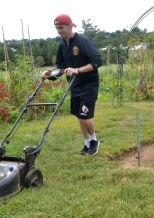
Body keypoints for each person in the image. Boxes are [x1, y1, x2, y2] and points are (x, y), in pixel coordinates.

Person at [41, 14, 102, 156]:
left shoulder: (83, 42)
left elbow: (97, 61)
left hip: (89, 84)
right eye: (56, 28)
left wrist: (78, 70)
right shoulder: (62, 45)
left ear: (70, 26)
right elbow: (60, 66)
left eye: (61, 27)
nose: (59, 31)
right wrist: (50, 74)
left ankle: (94, 141)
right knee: (78, 116)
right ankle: (86, 144)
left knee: (84, 115)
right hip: (75, 86)